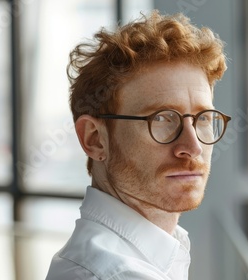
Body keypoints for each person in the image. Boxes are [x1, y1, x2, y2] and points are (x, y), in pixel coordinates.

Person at [46, 10, 229, 280]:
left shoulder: (156, 254)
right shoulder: (118, 274)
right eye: (163, 118)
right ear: (95, 139)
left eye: (203, 118)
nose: (193, 146)